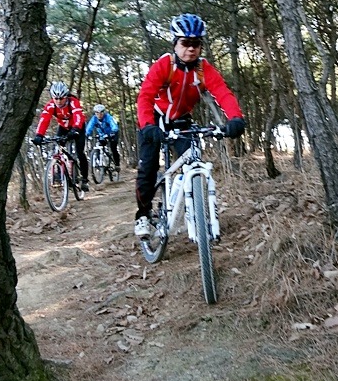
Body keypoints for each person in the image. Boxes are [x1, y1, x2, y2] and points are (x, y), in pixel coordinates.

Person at [134, 13, 246, 237]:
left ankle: (192, 208)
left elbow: (223, 93)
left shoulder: (203, 69)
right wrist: (147, 125)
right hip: (155, 119)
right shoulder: (165, 65)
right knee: (148, 169)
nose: (191, 49)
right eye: (186, 43)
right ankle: (143, 215)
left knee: (193, 162)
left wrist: (235, 118)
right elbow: (145, 96)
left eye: (196, 43)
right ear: (175, 43)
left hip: (182, 120)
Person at [32, 81, 90, 192]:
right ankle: (59, 175)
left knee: (80, 152)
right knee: (58, 149)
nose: (58, 101)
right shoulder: (51, 105)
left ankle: (85, 179)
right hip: (63, 127)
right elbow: (44, 119)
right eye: (56, 98)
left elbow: (78, 115)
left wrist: (76, 129)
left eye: (61, 98)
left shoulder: (73, 102)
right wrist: (39, 135)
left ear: (66, 96)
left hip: (78, 127)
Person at [86, 104, 121, 172]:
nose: (99, 115)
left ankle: (117, 164)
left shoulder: (108, 117)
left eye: (101, 113)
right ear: (95, 113)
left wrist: (113, 132)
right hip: (102, 135)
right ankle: (101, 164)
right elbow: (89, 127)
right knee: (99, 146)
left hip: (112, 133)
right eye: (97, 113)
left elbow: (113, 125)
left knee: (113, 148)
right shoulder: (94, 119)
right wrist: (87, 134)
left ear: (104, 112)